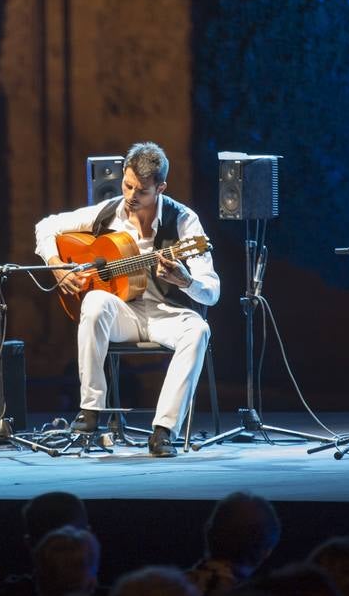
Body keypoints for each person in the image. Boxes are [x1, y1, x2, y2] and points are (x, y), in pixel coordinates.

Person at [35, 141, 219, 457]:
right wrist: (56, 266)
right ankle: (90, 411)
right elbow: (46, 226)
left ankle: (163, 431)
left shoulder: (185, 222)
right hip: (124, 311)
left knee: (199, 331)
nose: (131, 197)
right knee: (93, 302)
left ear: (161, 187)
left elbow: (212, 291)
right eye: (127, 185)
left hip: (167, 313)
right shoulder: (109, 212)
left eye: (142, 191)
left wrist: (186, 281)